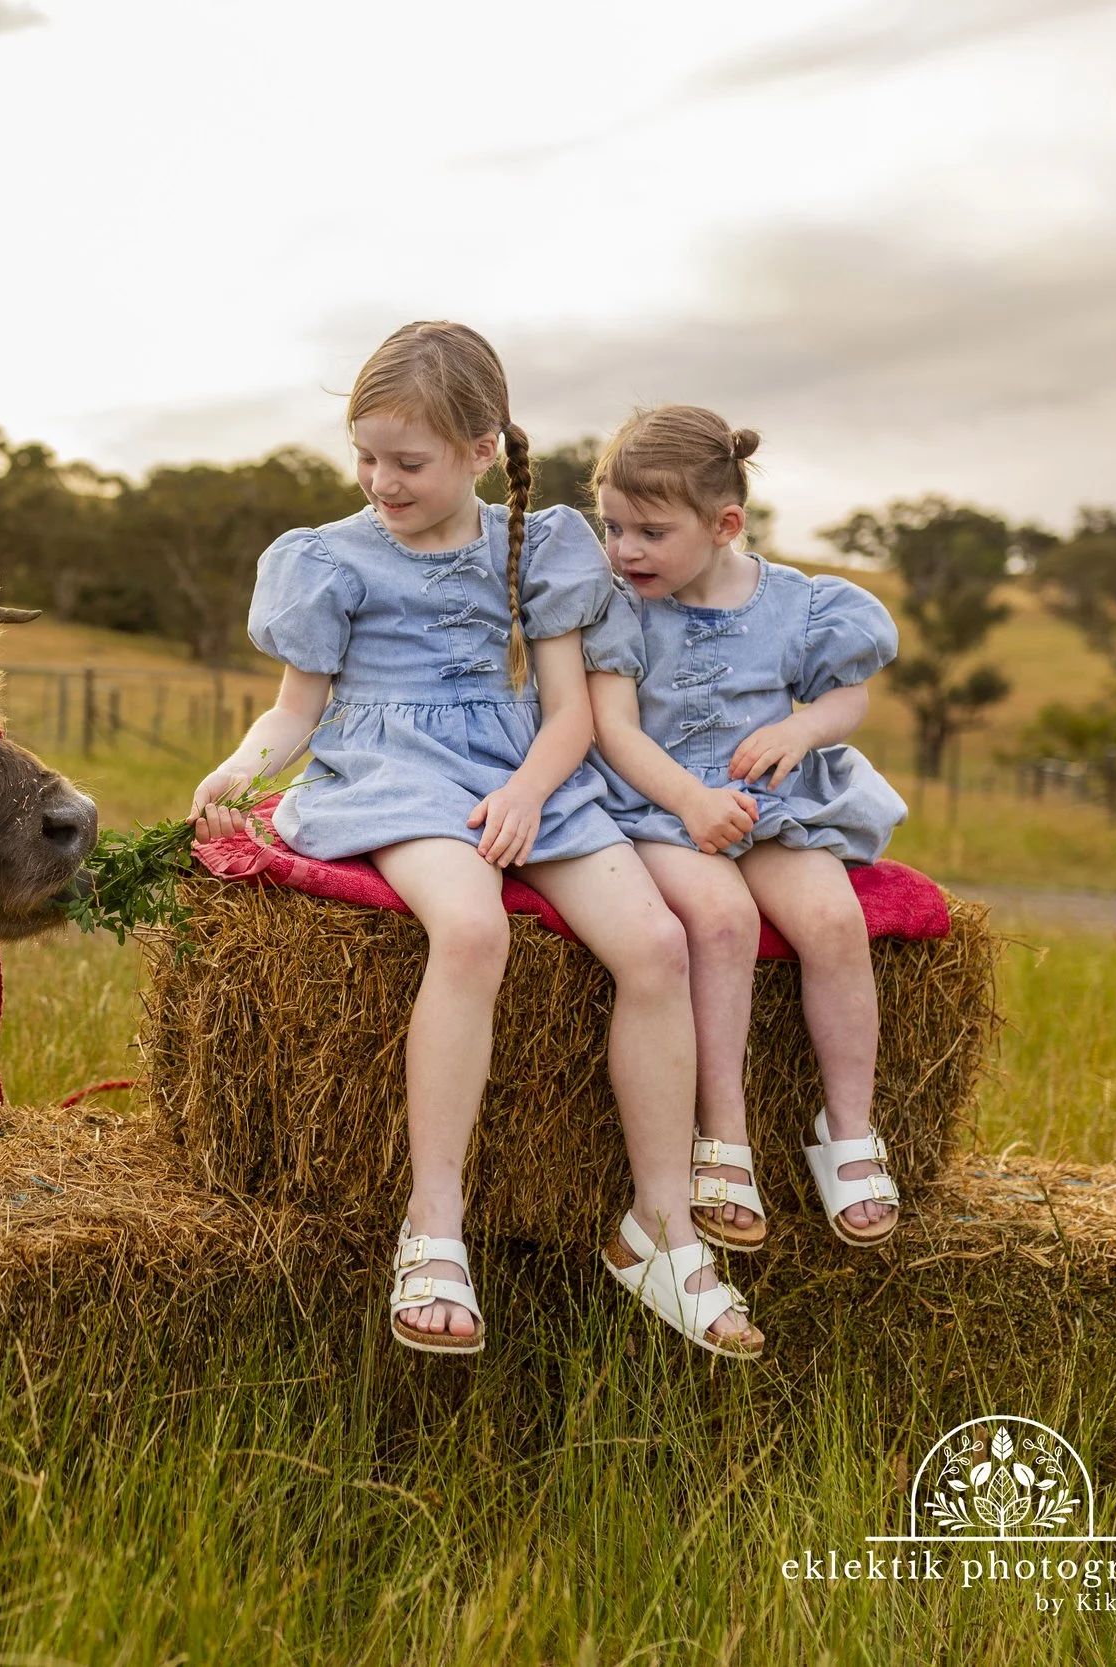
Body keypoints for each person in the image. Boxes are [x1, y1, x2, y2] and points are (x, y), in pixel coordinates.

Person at [190, 324, 762, 1360]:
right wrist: (238, 770)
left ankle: (661, 1227)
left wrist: (529, 794)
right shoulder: (327, 558)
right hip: (391, 772)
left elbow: (568, 712)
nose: (380, 481)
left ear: (480, 448)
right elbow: (294, 713)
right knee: (468, 928)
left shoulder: (539, 545)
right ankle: (434, 1223)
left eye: (405, 462)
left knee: (656, 946)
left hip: (525, 768)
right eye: (365, 456)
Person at [581, 404, 908, 1256]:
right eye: (612, 526)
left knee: (835, 921)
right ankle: (722, 1134)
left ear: (726, 525)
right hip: (655, 804)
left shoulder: (798, 604)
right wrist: (690, 800)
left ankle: (847, 1128)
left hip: (771, 802)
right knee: (720, 922)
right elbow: (613, 728)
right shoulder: (619, 607)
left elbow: (848, 695)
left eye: (651, 531)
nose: (625, 550)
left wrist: (803, 731)